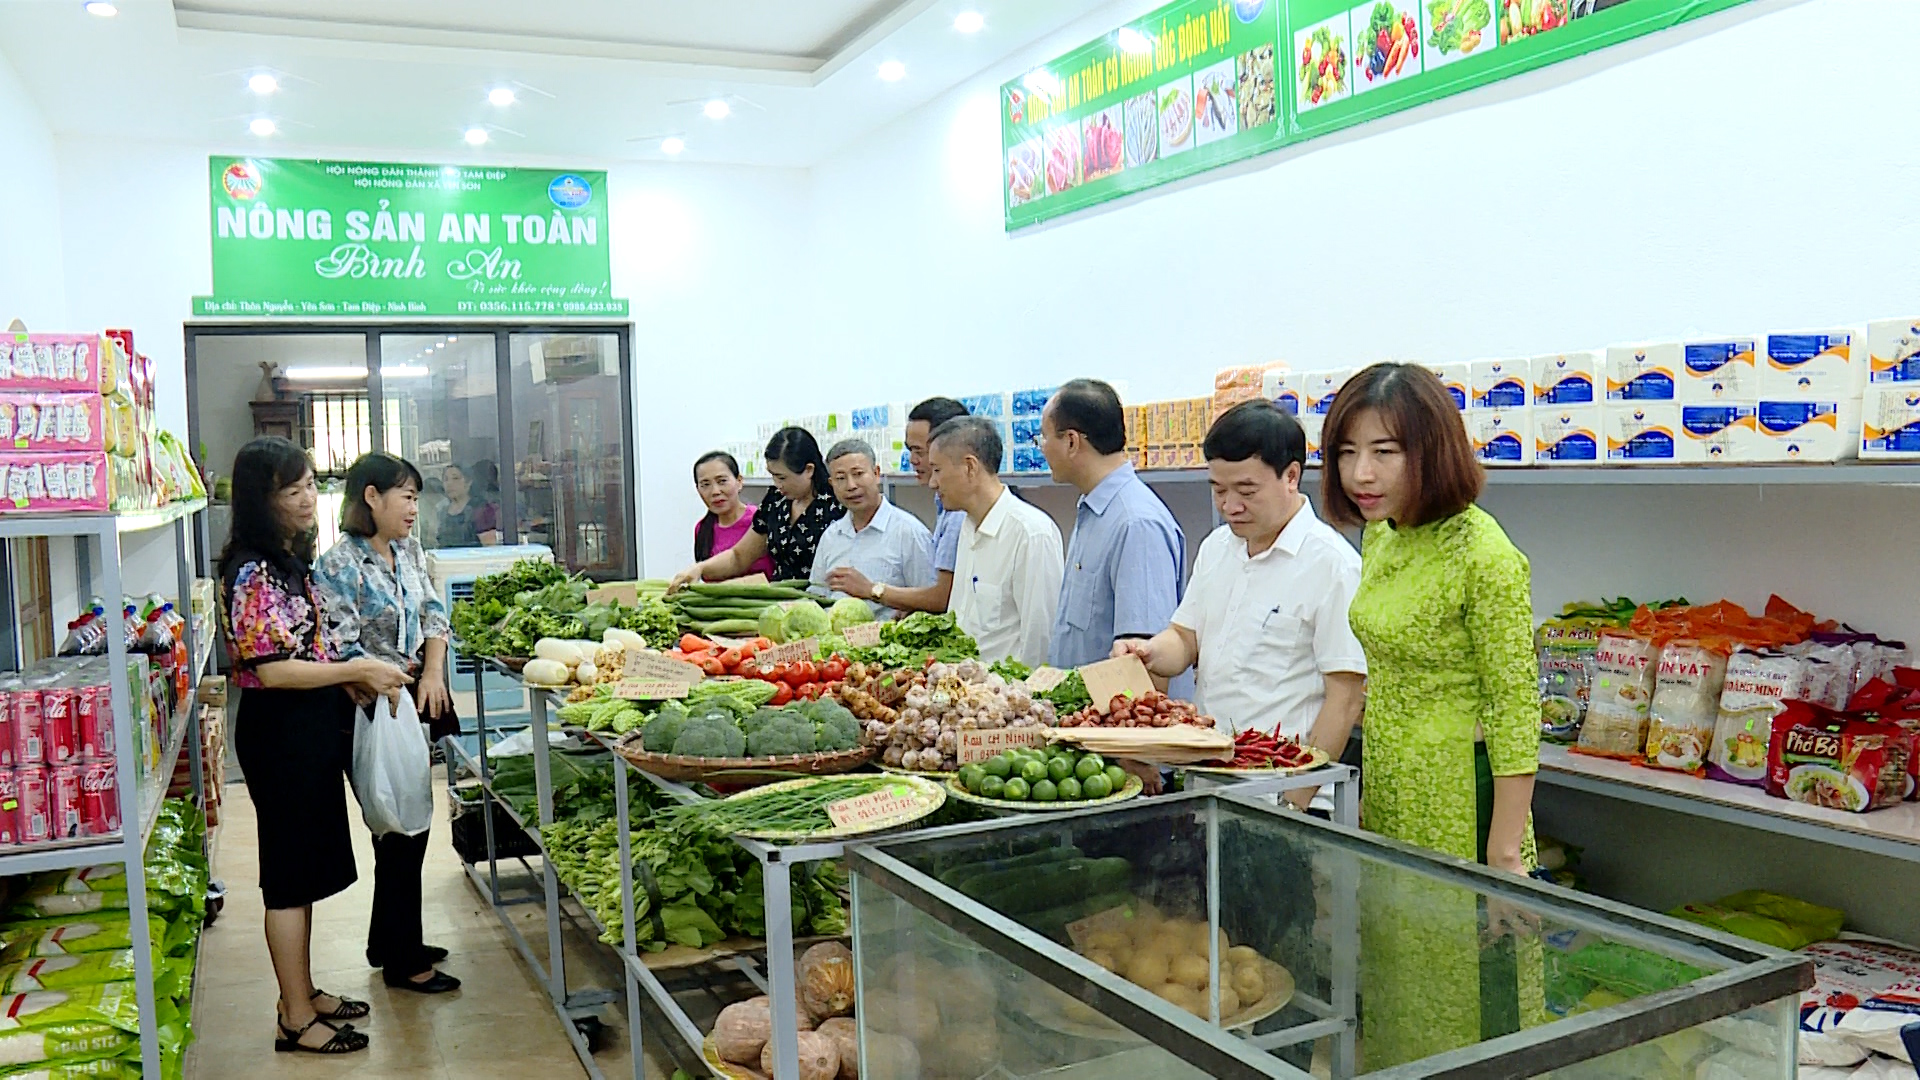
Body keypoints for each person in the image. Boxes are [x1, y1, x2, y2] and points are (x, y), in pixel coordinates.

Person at [1322, 363, 1542, 1066]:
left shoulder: (1487, 556)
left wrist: (1504, 855)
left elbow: (1515, 705)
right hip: (1391, 786)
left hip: (1461, 795)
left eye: (1385, 452)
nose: (1363, 472)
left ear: (1432, 450)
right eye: (1348, 452)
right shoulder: (1384, 535)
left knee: (1468, 989)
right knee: (1395, 976)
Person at [218, 436, 412, 1055]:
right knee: (287, 877)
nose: (308, 499)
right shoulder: (250, 569)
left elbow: (307, 647)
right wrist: (358, 672)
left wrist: (346, 677)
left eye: (310, 486)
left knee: (303, 873)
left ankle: (299, 992)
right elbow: (272, 669)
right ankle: (295, 1017)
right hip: (280, 733)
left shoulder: (285, 561)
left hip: (308, 726)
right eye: (292, 489)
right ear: (262, 498)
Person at [1112, 401, 1366, 811]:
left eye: (1246, 491)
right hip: (1208, 783)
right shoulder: (1217, 548)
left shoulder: (1333, 566)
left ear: (1291, 476)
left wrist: (1293, 803)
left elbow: (1346, 699)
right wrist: (1149, 651)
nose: (1230, 505)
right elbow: (1185, 639)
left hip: (1285, 794)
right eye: (1218, 490)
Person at [312, 453, 462, 997]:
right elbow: (339, 646)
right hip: (368, 711)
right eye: (405, 497)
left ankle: (392, 938)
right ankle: (404, 959)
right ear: (370, 497)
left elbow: (434, 612)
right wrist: (391, 680)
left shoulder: (409, 551)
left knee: (411, 825)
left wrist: (434, 673)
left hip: (411, 702)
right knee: (396, 829)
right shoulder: (338, 564)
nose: (413, 509)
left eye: (417, 498)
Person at [1036, 379, 1188, 694]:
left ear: (1072, 442)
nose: (1041, 447)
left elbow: (1147, 674)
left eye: (1044, 437)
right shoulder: (1094, 510)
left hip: (1117, 731)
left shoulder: (1136, 523)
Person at [929, 416, 1063, 668]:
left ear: (970, 467)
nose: (931, 482)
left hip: (1010, 699)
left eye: (937, 470)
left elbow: (1041, 640)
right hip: (965, 696)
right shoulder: (967, 526)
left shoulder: (1031, 534)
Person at [673, 427, 842, 588]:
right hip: (780, 603)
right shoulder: (776, 501)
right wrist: (700, 568)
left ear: (808, 470)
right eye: (773, 475)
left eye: (782, 477)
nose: (777, 484)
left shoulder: (835, 505)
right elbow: (739, 557)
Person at [869, 396, 971, 615]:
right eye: (910, 451)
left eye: (920, 451)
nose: (913, 460)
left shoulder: (958, 513)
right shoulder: (945, 504)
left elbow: (943, 597)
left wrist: (873, 590)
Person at [812, 439, 935, 619]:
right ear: (831, 484)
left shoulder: (909, 532)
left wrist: (873, 591)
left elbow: (930, 600)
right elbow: (816, 593)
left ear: (876, 473)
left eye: (858, 474)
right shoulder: (831, 536)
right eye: (840, 478)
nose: (851, 485)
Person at [691, 451, 775, 579]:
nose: (715, 491)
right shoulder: (702, 528)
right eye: (705, 485)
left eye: (722, 481)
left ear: (739, 481)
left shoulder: (760, 521)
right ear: (698, 489)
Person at [434, 463, 499, 549]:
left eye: (455, 478)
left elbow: (490, 547)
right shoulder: (441, 512)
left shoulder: (482, 510)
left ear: (468, 482)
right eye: (446, 479)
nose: (449, 484)